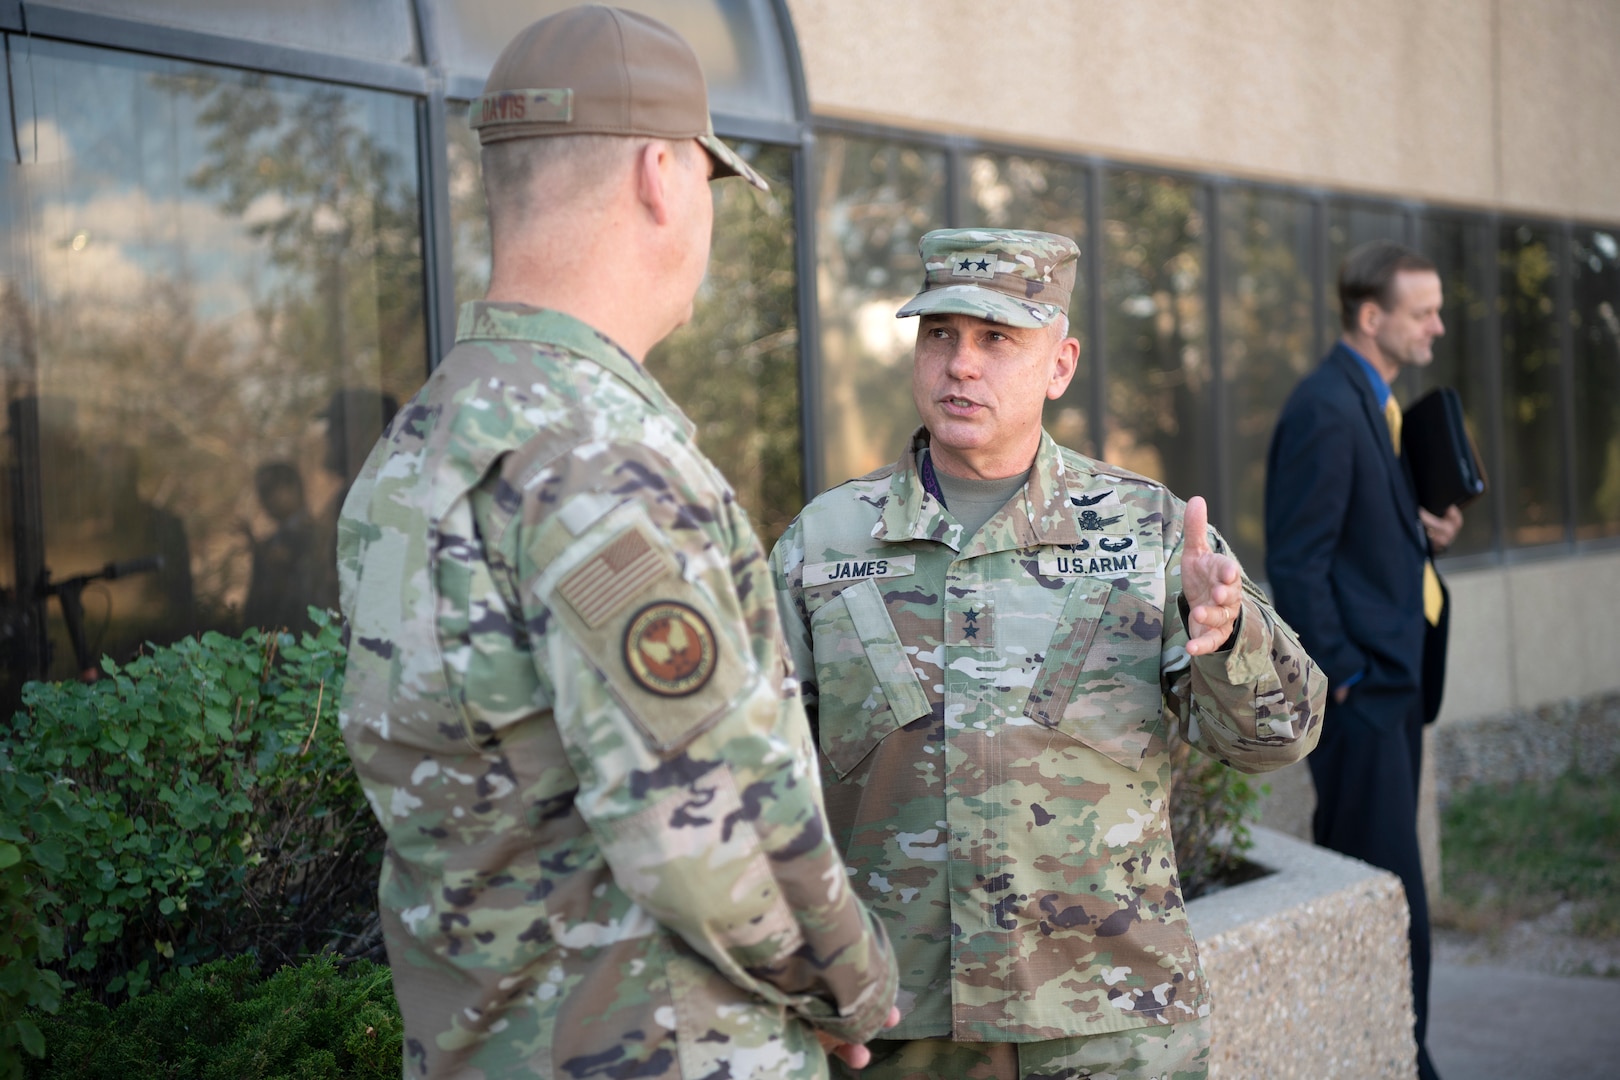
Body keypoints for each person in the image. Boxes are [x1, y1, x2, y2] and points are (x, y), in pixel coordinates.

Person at [335, 7, 897, 1079]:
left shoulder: (416, 448)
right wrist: (850, 986)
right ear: (658, 176)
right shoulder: (599, 462)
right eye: (706, 180)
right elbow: (709, 838)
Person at [770, 228, 1326, 1080]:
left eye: (998, 340)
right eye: (941, 335)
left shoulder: (1147, 534)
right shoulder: (825, 540)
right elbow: (762, 784)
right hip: (896, 1027)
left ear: (1060, 365)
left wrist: (1231, 638)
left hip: (1107, 1024)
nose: (961, 365)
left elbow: (1277, 739)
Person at [1264, 240, 1459, 1080]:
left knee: (1394, 890)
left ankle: (1402, 1054)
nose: (1438, 328)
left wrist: (1424, 531)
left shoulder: (1376, 402)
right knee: (1390, 899)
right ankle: (1396, 1059)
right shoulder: (1325, 408)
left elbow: (1355, 538)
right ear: (1372, 317)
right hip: (1365, 694)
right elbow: (1298, 559)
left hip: (1395, 686)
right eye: (1424, 312)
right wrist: (1344, 677)